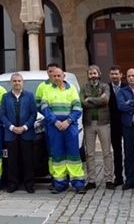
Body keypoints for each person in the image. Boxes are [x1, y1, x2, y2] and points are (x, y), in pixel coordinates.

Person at [42, 66, 86, 194]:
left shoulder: (71, 89)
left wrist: (68, 121)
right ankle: (60, 183)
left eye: (58, 75)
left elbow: (77, 107)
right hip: (54, 127)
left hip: (69, 126)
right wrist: (55, 121)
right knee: (58, 156)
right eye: (54, 76)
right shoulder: (47, 90)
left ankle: (78, 183)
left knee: (74, 156)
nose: (56, 78)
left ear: (63, 76)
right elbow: (45, 108)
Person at [0, 73, 37, 193]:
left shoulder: (29, 96)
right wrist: (11, 127)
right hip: (11, 133)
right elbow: (2, 114)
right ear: (11, 83)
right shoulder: (5, 97)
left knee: (28, 160)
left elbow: (33, 114)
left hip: (26, 132)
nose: (17, 83)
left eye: (19, 81)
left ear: (22, 82)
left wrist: (25, 127)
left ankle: (29, 184)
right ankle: (12, 184)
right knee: (12, 160)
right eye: (14, 81)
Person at [80, 65, 113, 190]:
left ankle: (109, 179)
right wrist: (98, 99)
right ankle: (91, 180)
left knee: (107, 152)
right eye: (90, 73)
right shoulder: (84, 87)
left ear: (99, 74)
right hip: (89, 123)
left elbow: (106, 101)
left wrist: (90, 99)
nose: (93, 75)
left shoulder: (105, 86)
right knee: (90, 154)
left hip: (103, 122)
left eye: (95, 73)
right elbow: (82, 102)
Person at [108, 65, 129, 186]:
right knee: (117, 151)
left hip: (126, 122)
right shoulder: (106, 87)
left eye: (116, 74)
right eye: (112, 74)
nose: (114, 76)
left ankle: (131, 176)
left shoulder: (127, 87)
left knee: (129, 150)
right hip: (113, 124)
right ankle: (118, 177)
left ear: (121, 75)